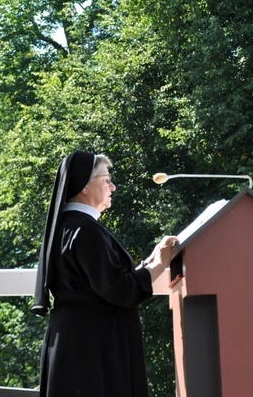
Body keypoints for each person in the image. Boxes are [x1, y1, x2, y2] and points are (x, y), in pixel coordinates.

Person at [32, 150, 177, 397]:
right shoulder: (84, 230)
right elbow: (120, 290)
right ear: (84, 187)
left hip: (77, 341)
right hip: (92, 348)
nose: (113, 186)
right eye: (106, 179)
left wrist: (148, 263)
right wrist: (160, 264)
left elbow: (101, 281)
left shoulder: (69, 227)